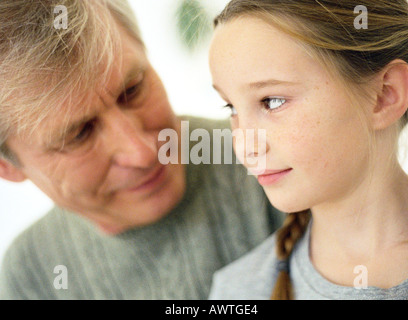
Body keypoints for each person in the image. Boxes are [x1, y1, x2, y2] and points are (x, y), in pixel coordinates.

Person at [0, 0, 283, 299]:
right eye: (79, 134)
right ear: (8, 167)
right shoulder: (29, 278)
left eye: (132, 90)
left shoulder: (278, 162)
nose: (144, 153)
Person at [208, 0, 408, 300]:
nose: (244, 147)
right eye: (231, 107)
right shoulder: (238, 291)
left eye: (272, 101)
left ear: (385, 95)